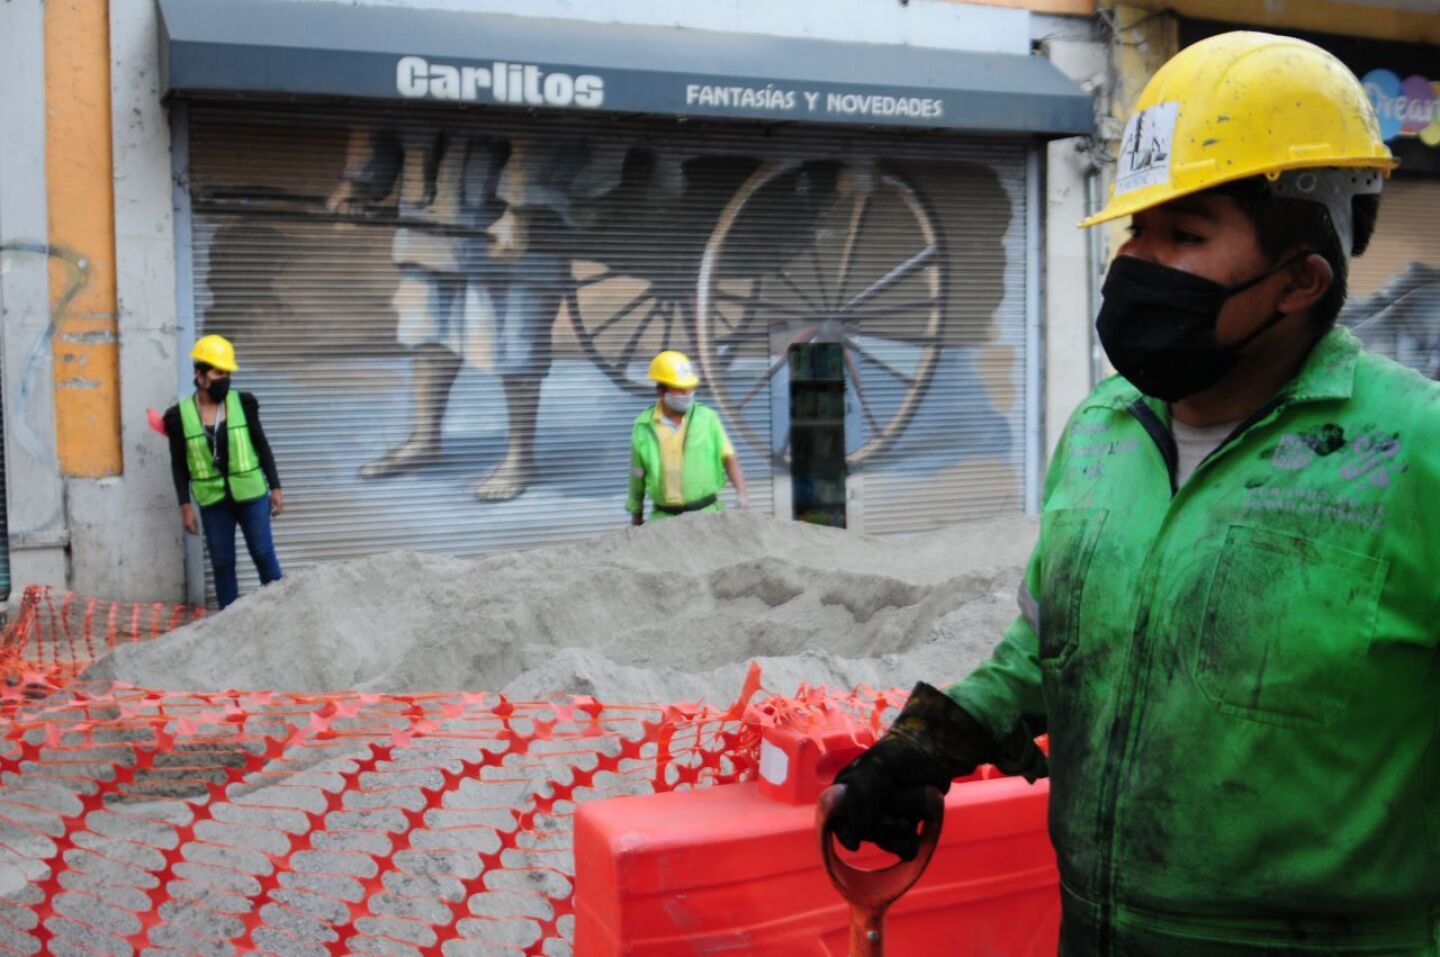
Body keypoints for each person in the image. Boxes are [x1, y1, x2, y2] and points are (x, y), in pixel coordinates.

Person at [826, 32, 1440, 956]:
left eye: (1185, 235)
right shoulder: (1102, 431)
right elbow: (1054, 641)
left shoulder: (1416, 451)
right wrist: (934, 741)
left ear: (1301, 280)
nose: (1138, 264)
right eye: (1136, 230)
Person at [164, 335, 284, 609]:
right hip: (214, 501)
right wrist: (185, 506)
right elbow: (179, 465)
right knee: (223, 564)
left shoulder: (244, 403)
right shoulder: (178, 417)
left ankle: (283, 610)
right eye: (219, 372)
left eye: (227, 372)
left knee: (264, 554)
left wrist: (275, 488)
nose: (225, 378)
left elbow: (262, 446)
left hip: (252, 493)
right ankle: (230, 622)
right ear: (200, 375)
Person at [627, 351, 748, 525]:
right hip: (664, 521)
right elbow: (636, 475)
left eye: (689, 387)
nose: (687, 393)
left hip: (708, 517)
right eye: (680, 388)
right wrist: (636, 518)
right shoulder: (643, 427)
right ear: (661, 392)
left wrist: (742, 494)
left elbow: (729, 457)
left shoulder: (707, 419)